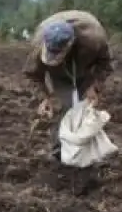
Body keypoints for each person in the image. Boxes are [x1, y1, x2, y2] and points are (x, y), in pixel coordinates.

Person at [24, 10, 114, 160]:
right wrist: (46, 97)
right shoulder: (39, 43)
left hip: (85, 66)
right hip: (59, 73)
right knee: (62, 106)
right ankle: (58, 152)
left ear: (70, 44)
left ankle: (86, 152)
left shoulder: (94, 41)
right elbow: (32, 75)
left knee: (85, 106)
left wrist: (95, 87)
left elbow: (106, 63)